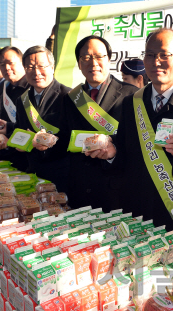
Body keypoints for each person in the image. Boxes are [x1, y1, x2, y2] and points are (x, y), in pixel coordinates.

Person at [106, 28, 173, 259]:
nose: (156, 62)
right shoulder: (131, 103)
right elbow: (123, 157)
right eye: (150, 54)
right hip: (136, 216)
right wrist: (111, 154)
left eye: (164, 55)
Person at [62, 35, 138, 209]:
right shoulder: (71, 98)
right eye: (86, 57)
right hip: (79, 191)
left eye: (99, 56)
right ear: (79, 64)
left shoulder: (131, 95)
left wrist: (113, 153)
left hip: (116, 191)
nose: (93, 62)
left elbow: (136, 145)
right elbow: (66, 137)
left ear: (109, 59)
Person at [10, 46, 71, 192]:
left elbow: (73, 138)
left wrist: (51, 143)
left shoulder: (68, 96)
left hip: (63, 174)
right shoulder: (22, 100)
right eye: (30, 67)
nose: (36, 72)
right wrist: (20, 144)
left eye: (41, 66)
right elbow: (21, 130)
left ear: (52, 67)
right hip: (34, 173)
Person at [0, 46, 31, 171]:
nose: (6, 68)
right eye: (2, 64)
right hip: (4, 157)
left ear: (23, 63)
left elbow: (32, 126)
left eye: (11, 63)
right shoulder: (3, 87)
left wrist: (10, 139)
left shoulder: (31, 88)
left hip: (26, 159)